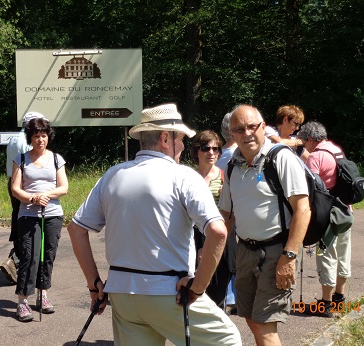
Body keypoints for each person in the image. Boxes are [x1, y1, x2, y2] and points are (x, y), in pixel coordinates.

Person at [67, 103, 241, 346]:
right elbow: (218, 231)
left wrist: (94, 283)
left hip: (122, 293)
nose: (182, 145)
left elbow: (76, 229)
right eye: (180, 138)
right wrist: (198, 287)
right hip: (168, 292)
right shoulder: (184, 176)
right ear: (165, 138)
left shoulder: (113, 175)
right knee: (228, 340)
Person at [219, 104, 311, 346]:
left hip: (278, 251)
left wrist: (289, 256)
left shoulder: (280, 158)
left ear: (263, 127)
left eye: (252, 126)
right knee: (250, 318)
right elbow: (227, 216)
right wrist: (210, 251)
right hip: (245, 252)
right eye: (239, 129)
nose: (247, 133)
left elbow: (303, 209)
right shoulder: (232, 166)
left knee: (263, 324)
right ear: (232, 134)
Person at [11, 117, 68, 322]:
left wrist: (47, 195)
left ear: (48, 137)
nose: (40, 140)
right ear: (30, 138)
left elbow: (64, 187)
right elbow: (15, 189)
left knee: (47, 255)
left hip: (52, 214)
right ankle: (22, 301)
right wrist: (32, 198)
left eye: (44, 136)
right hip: (28, 215)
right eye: (36, 136)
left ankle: (43, 295)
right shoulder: (21, 159)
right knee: (29, 256)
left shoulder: (56, 159)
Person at [297, 121, 352, 317]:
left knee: (326, 255)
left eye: (304, 142)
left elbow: (309, 188)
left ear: (311, 139)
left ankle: (325, 304)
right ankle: (339, 298)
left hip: (328, 215)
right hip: (345, 212)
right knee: (343, 254)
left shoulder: (316, 156)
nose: (304, 146)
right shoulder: (336, 150)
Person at [190, 130, 236, 309]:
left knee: (218, 292)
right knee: (194, 291)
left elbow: (231, 214)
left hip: (221, 238)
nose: (211, 152)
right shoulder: (188, 178)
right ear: (196, 151)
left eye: (216, 149)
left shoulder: (226, 178)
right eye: (205, 148)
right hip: (193, 238)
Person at [0, 111, 46, 283]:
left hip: (12, 181)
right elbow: (32, 165)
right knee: (28, 223)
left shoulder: (13, 139)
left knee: (19, 219)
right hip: (25, 183)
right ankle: (16, 261)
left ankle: (15, 260)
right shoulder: (27, 141)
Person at [214, 111, 238, 314]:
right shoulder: (238, 153)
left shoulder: (221, 155)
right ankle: (234, 295)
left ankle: (229, 294)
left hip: (224, 210)